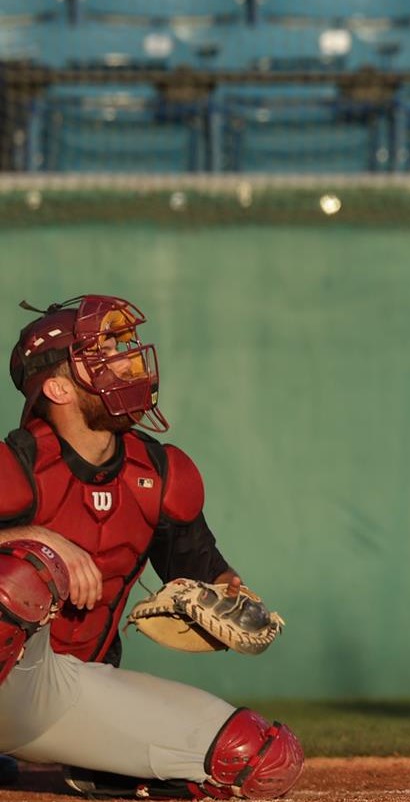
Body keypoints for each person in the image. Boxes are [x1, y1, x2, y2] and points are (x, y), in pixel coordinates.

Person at [0, 296, 303, 800]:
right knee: (27, 572)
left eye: (124, 346)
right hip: (8, 680)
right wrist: (36, 539)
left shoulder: (159, 473)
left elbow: (211, 578)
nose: (129, 359)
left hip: (61, 696)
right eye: (105, 351)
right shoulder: (15, 465)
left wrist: (238, 604)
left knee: (259, 757)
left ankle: (93, 759)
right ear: (57, 387)